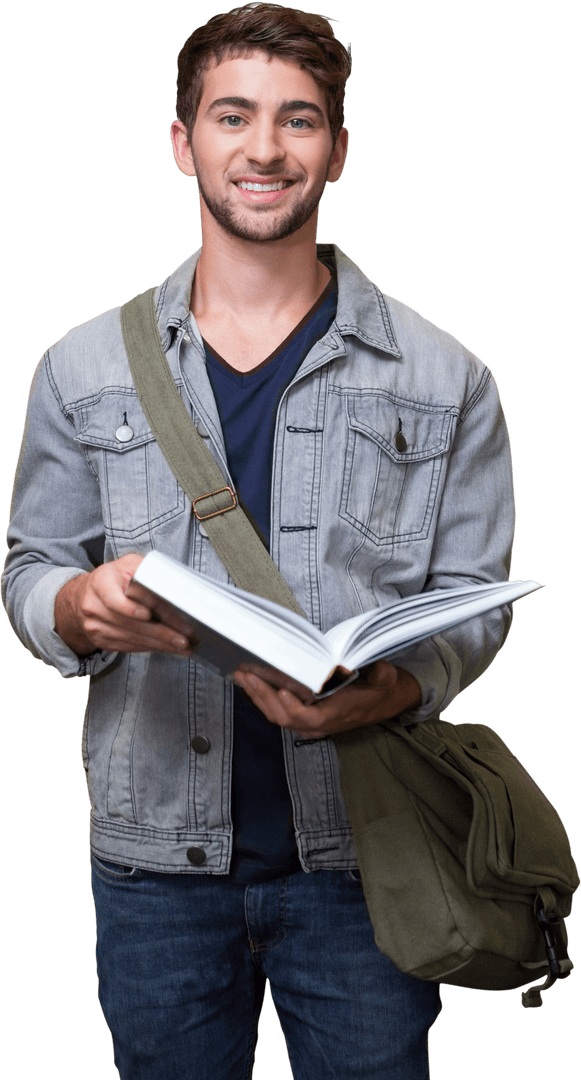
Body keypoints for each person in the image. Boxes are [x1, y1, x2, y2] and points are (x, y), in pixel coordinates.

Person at [1, 4, 515, 1078]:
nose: (266, 149)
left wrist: (397, 686)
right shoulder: (79, 366)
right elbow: (27, 569)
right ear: (184, 140)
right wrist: (72, 605)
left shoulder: (445, 374)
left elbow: (474, 598)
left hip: (364, 865)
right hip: (152, 876)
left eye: (299, 120)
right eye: (233, 116)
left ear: (336, 148)